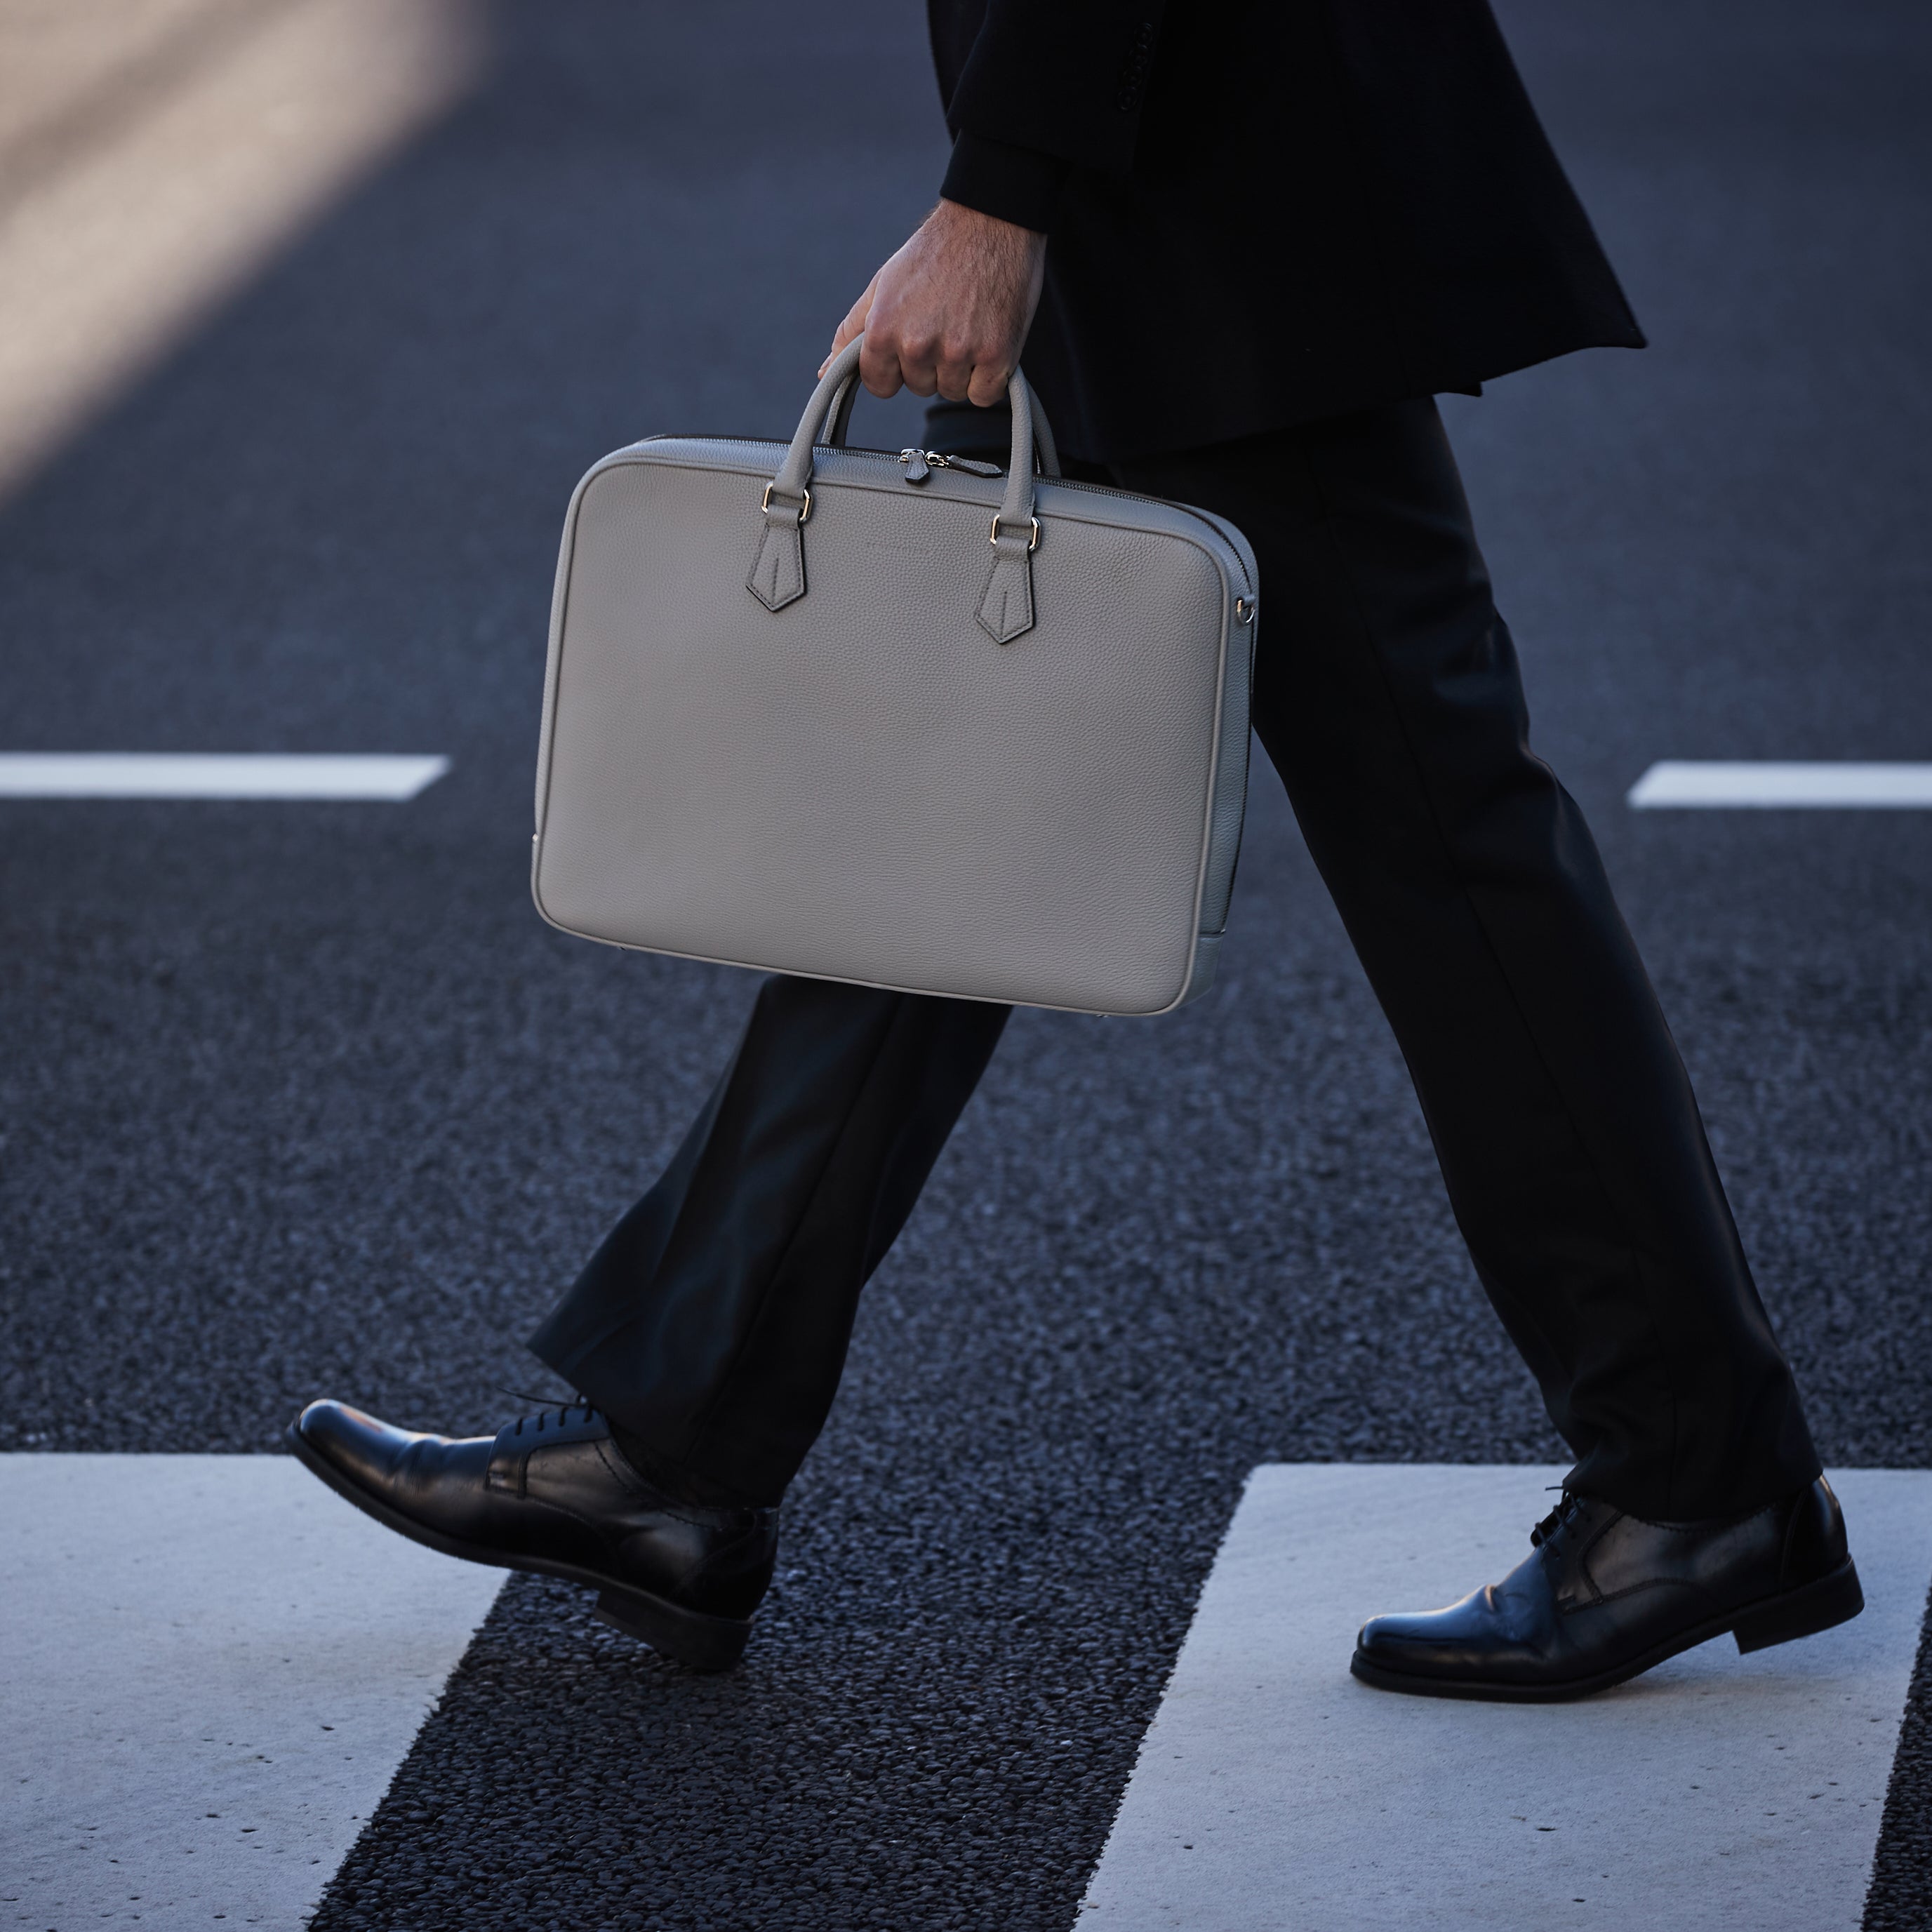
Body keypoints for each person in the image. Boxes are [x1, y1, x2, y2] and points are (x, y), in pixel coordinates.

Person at [289, 0, 1862, 1697]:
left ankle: (1701, 1473)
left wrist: (998, 199)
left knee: (1446, 841)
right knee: (950, 808)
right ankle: (681, 1442)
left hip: (1196, 176)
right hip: (1153, 158)